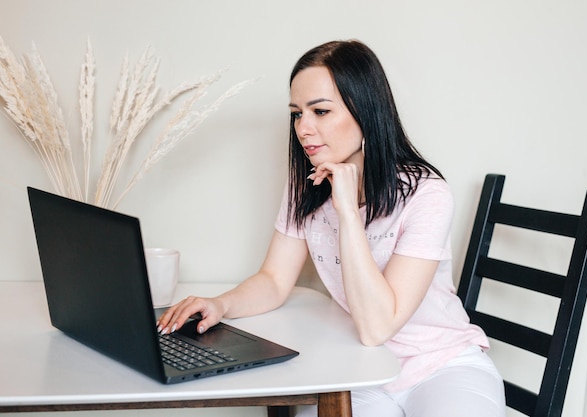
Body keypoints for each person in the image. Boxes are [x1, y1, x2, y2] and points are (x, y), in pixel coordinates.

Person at [157, 40, 505, 417]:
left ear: (366, 112)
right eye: (296, 113)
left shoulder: (426, 194)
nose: (303, 129)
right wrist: (221, 304)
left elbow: (377, 326)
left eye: (320, 111)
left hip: (441, 365)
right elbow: (275, 279)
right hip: (357, 367)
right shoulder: (307, 185)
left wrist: (348, 213)